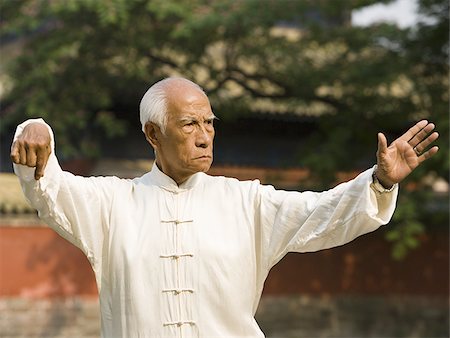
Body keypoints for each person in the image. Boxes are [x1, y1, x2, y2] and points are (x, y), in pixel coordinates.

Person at [11, 77, 439, 338]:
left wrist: (380, 180)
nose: (204, 135)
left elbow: (324, 213)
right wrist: (35, 129)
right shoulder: (110, 204)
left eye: (209, 123)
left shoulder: (247, 202)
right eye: (189, 124)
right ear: (152, 135)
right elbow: (51, 190)